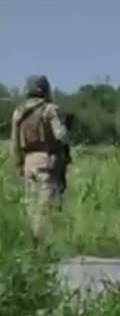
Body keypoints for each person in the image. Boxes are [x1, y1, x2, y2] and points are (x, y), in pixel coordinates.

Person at [10, 75, 70, 240]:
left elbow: (14, 143)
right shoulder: (50, 109)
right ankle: (42, 245)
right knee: (46, 207)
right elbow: (62, 135)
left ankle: (33, 243)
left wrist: (19, 164)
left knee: (31, 207)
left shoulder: (19, 112)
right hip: (47, 161)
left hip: (28, 163)